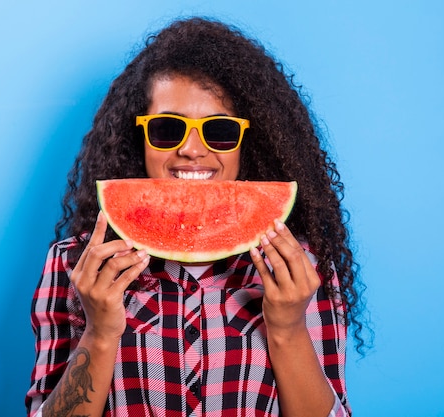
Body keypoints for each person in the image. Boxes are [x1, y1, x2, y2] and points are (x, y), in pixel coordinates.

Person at [26, 16, 367, 417]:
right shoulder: (76, 265)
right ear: (141, 139)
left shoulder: (300, 269)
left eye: (219, 131)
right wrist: (100, 334)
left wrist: (290, 327)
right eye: (168, 129)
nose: (191, 149)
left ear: (248, 144)